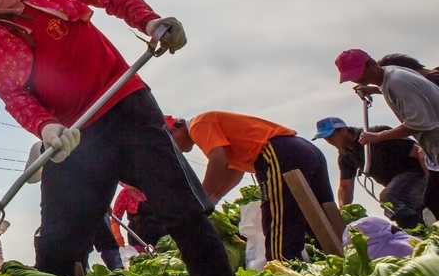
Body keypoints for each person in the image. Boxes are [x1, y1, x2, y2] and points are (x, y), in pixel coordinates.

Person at [0, 0, 237, 276]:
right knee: (56, 244)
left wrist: (149, 20)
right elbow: (14, 96)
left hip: (125, 107)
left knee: (184, 212)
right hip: (72, 138)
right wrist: (45, 126)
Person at [167, 112, 337, 262]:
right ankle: (340, 257)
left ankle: (286, 269)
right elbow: (235, 172)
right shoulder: (211, 129)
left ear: (174, 130)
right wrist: (214, 198)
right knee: (319, 214)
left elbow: (218, 160)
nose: (175, 150)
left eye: (171, 143)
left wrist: (199, 200)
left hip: (277, 152)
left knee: (279, 220)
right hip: (305, 150)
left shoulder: (198, 124)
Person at [336, 49, 439, 222]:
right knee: (432, 202)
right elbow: (398, 88)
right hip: (434, 152)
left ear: (371, 64)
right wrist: (375, 90)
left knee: (432, 202)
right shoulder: (390, 75)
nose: (356, 79)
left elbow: (419, 123)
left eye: (359, 73)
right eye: (352, 77)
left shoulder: (397, 82)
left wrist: (378, 137)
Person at [313, 116, 427, 228]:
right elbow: (345, 187)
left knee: (389, 197)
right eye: (326, 138)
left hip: (417, 174)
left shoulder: (376, 135)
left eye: (331, 136)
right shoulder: (345, 157)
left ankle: (416, 231)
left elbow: (418, 152)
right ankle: (420, 231)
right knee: (396, 204)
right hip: (397, 186)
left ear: (343, 130)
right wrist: (344, 212)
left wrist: (432, 180)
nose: (329, 141)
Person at [111, 183, 168, 253]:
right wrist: (117, 237)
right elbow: (115, 218)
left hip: (163, 236)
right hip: (138, 239)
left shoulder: (154, 189)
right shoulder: (125, 194)